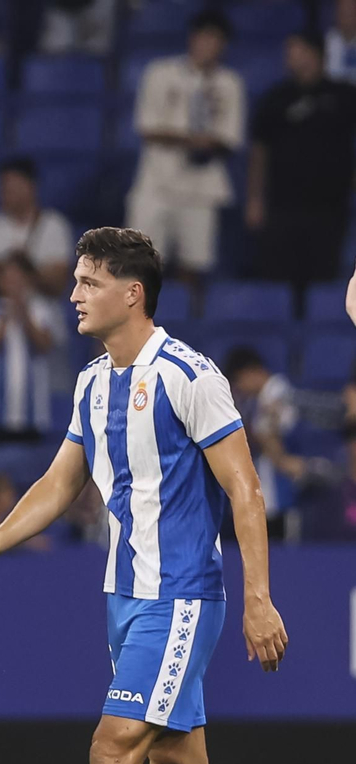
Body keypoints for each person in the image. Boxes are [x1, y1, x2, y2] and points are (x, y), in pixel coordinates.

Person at [0, 226, 287, 764]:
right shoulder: (94, 381)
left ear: (131, 294)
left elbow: (245, 489)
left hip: (182, 596)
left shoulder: (187, 375)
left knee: (113, 743)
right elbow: (57, 485)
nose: (72, 294)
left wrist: (258, 598)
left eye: (87, 282)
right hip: (124, 598)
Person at [126, 11, 244, 297]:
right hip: (156, 182)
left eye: (215, 39)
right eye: (204, 37)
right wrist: (191, 139)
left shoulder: (229, 83)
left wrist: (205, 142)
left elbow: (230, 138)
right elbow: (146, 127)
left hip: (201, 186)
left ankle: (189, 329)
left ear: (223, 45)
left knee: (195, 266)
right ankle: (135, 332)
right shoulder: (161, 73)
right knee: (139, 263)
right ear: (193, 38)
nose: (208, 45)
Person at [246, 32, 356, 297]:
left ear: (315, 54)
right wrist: (255, 198)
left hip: (330, 206)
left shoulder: (345, 96)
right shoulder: (276, 98)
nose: (290, 58)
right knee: (278, 281)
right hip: (282, 206)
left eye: (296, 50)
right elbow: (260, 151)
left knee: (323, 282)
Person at [0, 252, 65, 481]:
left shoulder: (42, 310)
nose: (13, 283)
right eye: (7, 278)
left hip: (32, 415)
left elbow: (44, 344)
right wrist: (7, 314)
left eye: (18, 277)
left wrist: (23, 312)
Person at [223, 346, 303, 541]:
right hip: (266, 493)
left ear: (250, 372)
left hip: (281, 494)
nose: (240, 388)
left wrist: (280, 458)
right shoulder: (257, 400)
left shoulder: (277, 390)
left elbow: (269, 434)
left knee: (283, 557)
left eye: (239, 381)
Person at [0, 157, 74, 296]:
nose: (4, 193)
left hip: (41, 308)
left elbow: (59, 281)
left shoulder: (54, 224)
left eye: (12, 187)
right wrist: (17, 276)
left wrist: (17, 272)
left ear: (31, 186)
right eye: (2, 187)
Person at [327, 0, 356, 83]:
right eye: (343, 11)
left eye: (351, 11)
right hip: (335, 92)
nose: (347, 16)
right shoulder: (328, 40)